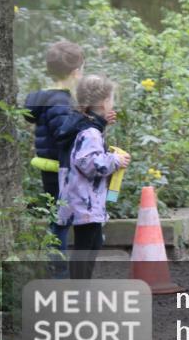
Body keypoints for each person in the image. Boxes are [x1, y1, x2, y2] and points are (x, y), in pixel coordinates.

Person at [54, 75, 131, 279]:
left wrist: (101, 124)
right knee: (85, 249)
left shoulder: (81, 124)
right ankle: (78, 291)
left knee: (93, 243)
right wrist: (115, 160)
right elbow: (89, 162)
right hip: (84, 200)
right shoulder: (90, 132)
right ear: (105, 102)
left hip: (80, 197)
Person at [24, 40, 85, 259]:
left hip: (50, 169)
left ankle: (57, 269)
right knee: (61, 223)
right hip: (62, 171)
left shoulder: (47, 98)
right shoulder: (61, 101)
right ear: (76, 72)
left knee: (60, 218)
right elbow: (64, 136)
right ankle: (56, 272)